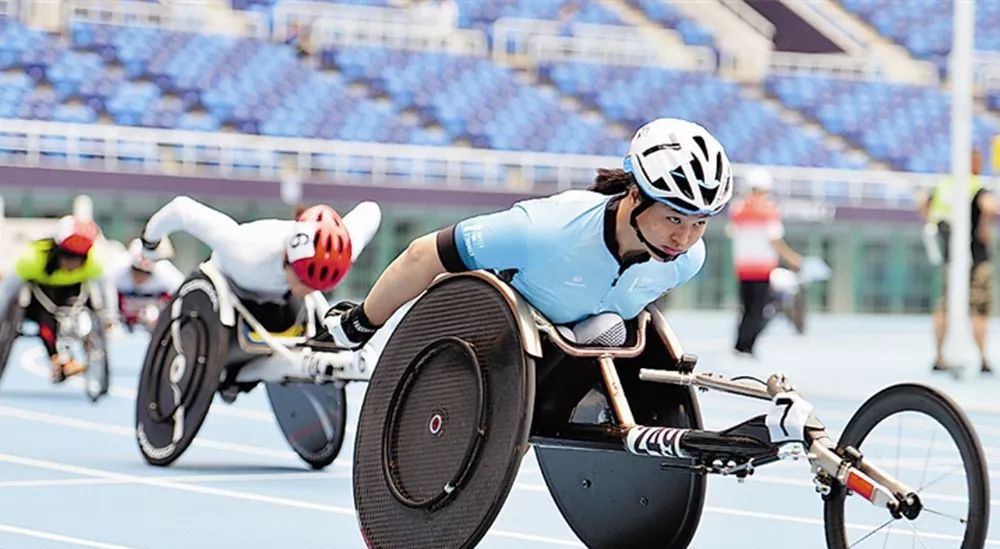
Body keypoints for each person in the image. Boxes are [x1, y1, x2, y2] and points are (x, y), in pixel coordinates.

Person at [323, 117, 734, 353]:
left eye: (700, 224)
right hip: (483, 334)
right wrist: (361, 323)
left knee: (614, 331)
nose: (684, 239)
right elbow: (422, 255)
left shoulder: (688, 261)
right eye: (674, 219)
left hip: (570, 355)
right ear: (635, 196)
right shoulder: (548, 230)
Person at [138, 196, 381, 389]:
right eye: (304, 281)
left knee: (310, 315)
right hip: (229, 294)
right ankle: (233, 372)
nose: (309, 290)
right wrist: (150, 244)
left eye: (318, 285)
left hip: (279, 303)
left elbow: (371, 211)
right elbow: (182, 209)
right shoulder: (244, 247)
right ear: (287, 258)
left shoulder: (342, 248)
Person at [0, 215, 117, 381]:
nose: (72, 264)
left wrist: (109, 316)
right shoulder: (32, 259)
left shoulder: (94, 261)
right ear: (56, 251)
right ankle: (58, 359)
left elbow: (107, 288)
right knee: (45, 321)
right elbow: (7, 291)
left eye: (79, 259)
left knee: (85, 303)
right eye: (67, 256)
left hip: (74, 292)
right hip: (41, 296)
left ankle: (88, 345)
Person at [921, 150, 997, 373]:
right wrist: (984, 227)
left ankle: (939, 356)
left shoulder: (945, 185)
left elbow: (923, 203)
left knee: (945, 306)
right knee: (979, 309)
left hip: (951, 258)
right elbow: (990, 206)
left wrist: (931, 223)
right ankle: (983, 358)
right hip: (976, 257)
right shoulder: (975, 185)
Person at [726, 167, 801, 357]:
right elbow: (774, 239)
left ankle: (739, 344)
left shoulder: (737, 208)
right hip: (762, 269)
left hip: (743, 268)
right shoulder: (768, 210)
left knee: (745, 308)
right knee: (758, 310)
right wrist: (791, 258)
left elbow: (732, 233)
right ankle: (748, 347)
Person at [113, 238, 185, 331]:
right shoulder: (117, 274)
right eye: (136, 271)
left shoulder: (167, 277)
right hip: (123, 328)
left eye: (145, 273)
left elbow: (182, 296)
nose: (140, 277)